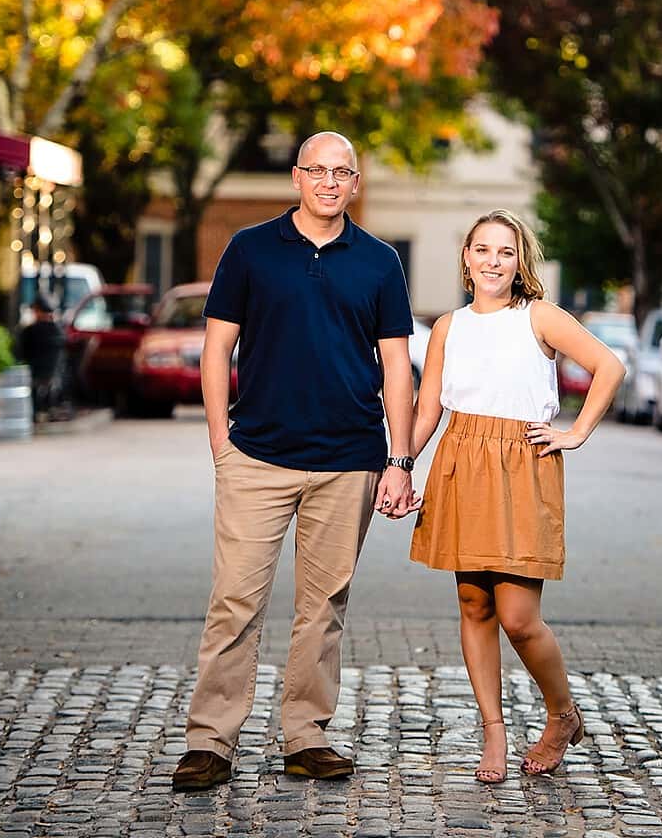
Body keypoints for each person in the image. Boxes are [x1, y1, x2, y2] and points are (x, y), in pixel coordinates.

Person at [169, 132, 418, 795]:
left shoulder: (380, 262)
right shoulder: (250, 249)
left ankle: (306, 736)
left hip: (350, 460)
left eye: (342, 172)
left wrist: (400, 459)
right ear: (296, 177)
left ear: (355, 183)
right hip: (257, 457)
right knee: (234, 601)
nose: (329, 182)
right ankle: (210, 742)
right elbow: (217, 347)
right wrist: (221, 442)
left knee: (324, 605)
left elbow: (397, 364)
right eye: (317, 170)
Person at [405, 212, 624, 783]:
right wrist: (399, 465)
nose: (493, 261)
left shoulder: (540, 318)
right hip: (461, 458)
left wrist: (576, 432)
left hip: (523, 464)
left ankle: (561, 714)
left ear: (519, 261)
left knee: (520, 618)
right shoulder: (449, 327)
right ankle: (494, 736)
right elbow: (429, 410)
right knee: (475, 605)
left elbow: (609, 366)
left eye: (505, 251)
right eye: (483, 250)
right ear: (467, 259)